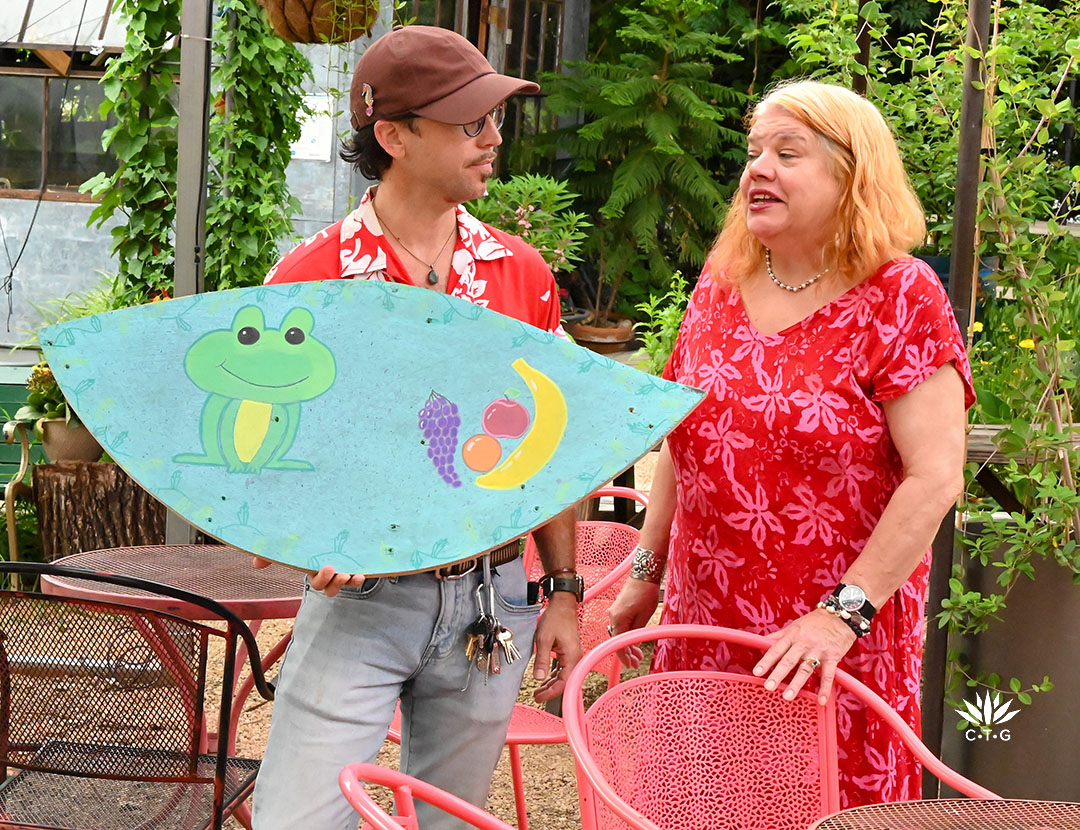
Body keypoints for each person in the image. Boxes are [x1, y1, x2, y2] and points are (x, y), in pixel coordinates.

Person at [607, 79, 975, 807]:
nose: (758, 169)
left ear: (852, 174)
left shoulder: (901, 297)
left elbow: (935, 477)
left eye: (787, 152)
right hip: (705, 620)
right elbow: (687, 442)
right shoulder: (719, 284)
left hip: (832, 640)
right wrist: (646, 568)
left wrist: (841, 617)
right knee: (699, 805)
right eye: (753, 152)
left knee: (819, 811)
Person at [250, 25, 582, 829]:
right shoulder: (310, 277)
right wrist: (309, 536)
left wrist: (563, 589)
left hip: (492, 604)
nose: (493, 138)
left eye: (493, 119)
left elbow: (554, 444)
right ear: (393, 135)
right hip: (363, 604)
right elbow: (263, 445)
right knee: (297, 821)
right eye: (470, 123)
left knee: (452, 825)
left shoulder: (522, 274)